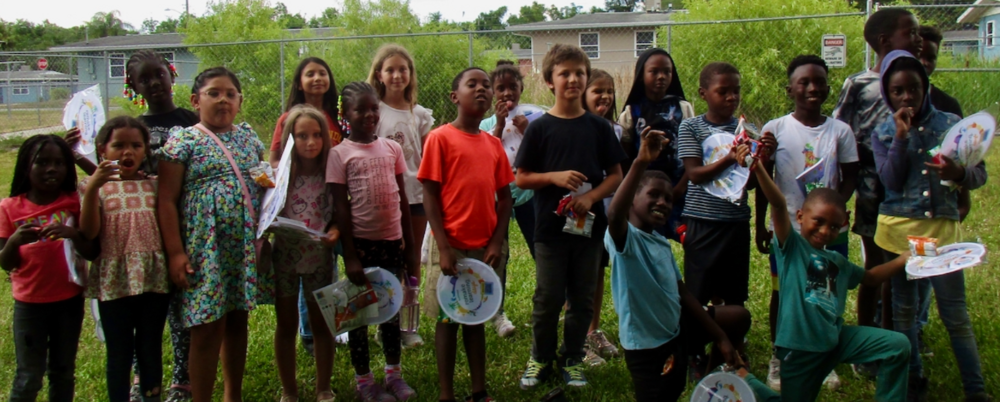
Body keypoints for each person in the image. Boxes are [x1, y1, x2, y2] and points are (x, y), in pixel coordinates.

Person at [872, 50, 992, 402]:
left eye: (913, 88)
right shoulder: (883, 132)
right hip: (898, 234)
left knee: (955, 314)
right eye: (897, 91)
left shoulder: (953, 125)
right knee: (904, 311)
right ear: (887, 94)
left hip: (942, 234)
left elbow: (979, 175)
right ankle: (913, 382)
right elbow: (890, 181)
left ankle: (976, 389)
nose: (906, 97)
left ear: (925, 87)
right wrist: (900, 138)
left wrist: (959, 174)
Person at [751, 150, 911, 402]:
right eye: (819, 221)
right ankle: (744, 379)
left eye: (834, 226)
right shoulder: (791, 248)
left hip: (834, 341)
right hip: (800, 350)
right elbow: (779, 204)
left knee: (897, 346)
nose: (825, 231)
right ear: (800, 217)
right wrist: (757, 165)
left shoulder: (838, 261)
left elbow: (870, 278)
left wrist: (904, 259)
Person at [605, 126, 749, 401]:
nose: (663, 202)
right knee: (663, 395)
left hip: (675, 329)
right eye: (654, 195)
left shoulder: (660, 242)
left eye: (669, 199)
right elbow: (614, 215)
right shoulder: (625, 240)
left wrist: (720, 336)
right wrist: (640, 161)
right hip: (647, 346)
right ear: (633, 197)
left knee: (738, 317)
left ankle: (710, 377)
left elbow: (680, 291)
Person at [514, 44, 626, 389]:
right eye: (565, 73)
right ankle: (540, 357)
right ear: (550, 81)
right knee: (547, 297)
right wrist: (555, 177)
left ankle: (573, 358)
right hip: (549, 229)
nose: (573, 79)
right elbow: (521, 177)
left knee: (581, 297)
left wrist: (592, 196)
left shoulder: (599, 128)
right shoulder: (539, 128)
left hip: (589, 231)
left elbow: (616, 175)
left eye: (579, 72)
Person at [157, 67, 270, 402]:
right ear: (195, 100)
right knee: (206, 327)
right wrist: (176, 253)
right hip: (205, 250)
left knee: (237, 321)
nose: (223, 99)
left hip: (242, 249)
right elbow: (166, 200)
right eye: (214, 93)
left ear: (240, 102)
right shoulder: (183, 141)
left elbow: (263, 180)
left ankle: (232, 395)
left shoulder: (249, 137)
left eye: (230, 94)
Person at [756, 55, 859, 392]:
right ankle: (780, 356)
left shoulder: (840, 131)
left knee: (823, 294)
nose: (813, 87)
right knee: (783, 293)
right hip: (789, 234)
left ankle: (821, 357)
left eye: (820, 81)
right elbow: (764, 180)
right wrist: (761, 224)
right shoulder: (776, 128)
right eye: (804, 82)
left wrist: (837, 213)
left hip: (828, 231)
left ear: (829, 86)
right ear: (790, 89)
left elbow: (850, 177)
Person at [419, 67, 514, 402]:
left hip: (483, 250)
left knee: (476, 318)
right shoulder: (440, 138)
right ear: (454, 96)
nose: (481, 90)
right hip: (451, 249)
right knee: (448, 320)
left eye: (486, 85)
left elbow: (505, 199)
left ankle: (479, 391)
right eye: (471, 84)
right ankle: (447, 394)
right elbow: (429, 195)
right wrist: (443, 247)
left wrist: (495, 242)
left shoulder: (493, 144)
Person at [832, 8, 923, 339]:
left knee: (908, 262)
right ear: (885, 41)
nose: (918, 39)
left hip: (910, 192)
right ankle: (869, 334)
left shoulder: (915, 83)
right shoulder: (859, 85)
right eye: (910, 32)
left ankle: (902, 332)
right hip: (874, 189)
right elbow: (840, 135)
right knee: (876, 263)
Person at [327, 81, 420, 402]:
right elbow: (340, 208)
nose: (369, 114)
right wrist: (350, 256)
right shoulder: (339, 154)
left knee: (391, 311)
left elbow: (403, 201)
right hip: (361, 248)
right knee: (360, 316)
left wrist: (410, 247)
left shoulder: (391, 149)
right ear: (345, 114)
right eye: (360, 109)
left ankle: (394, 374)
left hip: (392, 244)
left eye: (373, 108)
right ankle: (364, 380)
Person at [79, 117, 171, 402]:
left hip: (153, 281)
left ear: (146, 151)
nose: (127, 153)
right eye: (118, 146)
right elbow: (90, 231)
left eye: (136, 145)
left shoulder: (156, 187)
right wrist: (94, 186)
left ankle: (151, 394)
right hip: (114, 282)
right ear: (102, 150)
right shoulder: (92, 188)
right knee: (118, 351)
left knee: (150, 346)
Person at [0, 135, 97, 402]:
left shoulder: (74, 202)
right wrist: (14, 242)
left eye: (58, 163)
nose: (51, 169)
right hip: (30, 305)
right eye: (41, 162)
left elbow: (91, 250)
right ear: (25, 166)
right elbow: (6, 263)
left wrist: (74, 234)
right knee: (29, 376)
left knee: (63, 371)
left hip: (68, 302)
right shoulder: (10, 208)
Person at [677, 62, 765, 308]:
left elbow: (749, 185)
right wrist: (729, 158)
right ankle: (695, 343)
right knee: (698, 291)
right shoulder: (692, 127)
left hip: (735, 221)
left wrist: (763, 157)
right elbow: (694, 174)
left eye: (736, 90)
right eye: (723, 91)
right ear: (703, 93)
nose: (731, 97)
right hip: (702, 222)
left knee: (735, 293)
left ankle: (732, 341)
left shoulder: (748, 130)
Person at [368, 46, 434, 349]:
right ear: (379, 75)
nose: (397, 75)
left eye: (403, 69)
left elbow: (426, 157)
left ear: (410, 75)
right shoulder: (373, 112)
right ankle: (385, 324)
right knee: (386, 262)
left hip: (416, 198)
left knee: (411, 261)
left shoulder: (419, 115)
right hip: (384, 199)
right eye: (390, 69)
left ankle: (409, 324)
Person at [272, 105, 339, 402]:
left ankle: (323, 386)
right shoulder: (280, 176)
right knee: (286, 325)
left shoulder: (331, 174)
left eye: (316, 135)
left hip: (319, 260)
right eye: (301, 136)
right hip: (284, 259)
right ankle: (289, 390)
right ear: (290, 139)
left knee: (322, 325)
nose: (310, 142)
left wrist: (335, 232)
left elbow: (339, 214)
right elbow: (267, 212)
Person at [914, 25, 971, 358]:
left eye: (931, 57)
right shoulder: (892, 99)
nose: (925, 61)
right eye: (919, 53)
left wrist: (963, 195)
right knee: (904, 282)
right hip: (901, 214)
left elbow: (966, 159)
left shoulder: (949, 110)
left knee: (934, 278)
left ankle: (918, 332)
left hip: (939, 213)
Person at [478, 60, 539, 338]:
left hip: (527, 195)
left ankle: (547, 303)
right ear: (491, 92)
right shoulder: (486, 124)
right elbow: (485, 153)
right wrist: (500, 124)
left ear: (521, 89)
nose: (506, 94)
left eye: (511, 87)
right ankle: (497, 312)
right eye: (499, 88)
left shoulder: (532, 119)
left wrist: (527, 130)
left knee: (540, 247)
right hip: (496, 197)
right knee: (498, 253)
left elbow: (542, 152)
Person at [618, 48, 694, 241]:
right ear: (641, 76)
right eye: (654, 72)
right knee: (645, 241)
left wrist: (679, 188)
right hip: (644, 194)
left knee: (691, 239)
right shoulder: (631, 112)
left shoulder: (683, 109)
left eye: (667, 71)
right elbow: (625, 158)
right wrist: (633, 193)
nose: (661, 76)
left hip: (680, 188)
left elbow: (693, 153)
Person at [579, 68, 622, 367]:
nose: (605, 97)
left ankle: (593, 330)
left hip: (606, 215)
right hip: (579, 213)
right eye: (598, 91)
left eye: (609, 91)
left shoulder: (616, 131)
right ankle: (578, 337)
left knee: (597, 271)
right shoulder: (575, 127)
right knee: (577, 274)